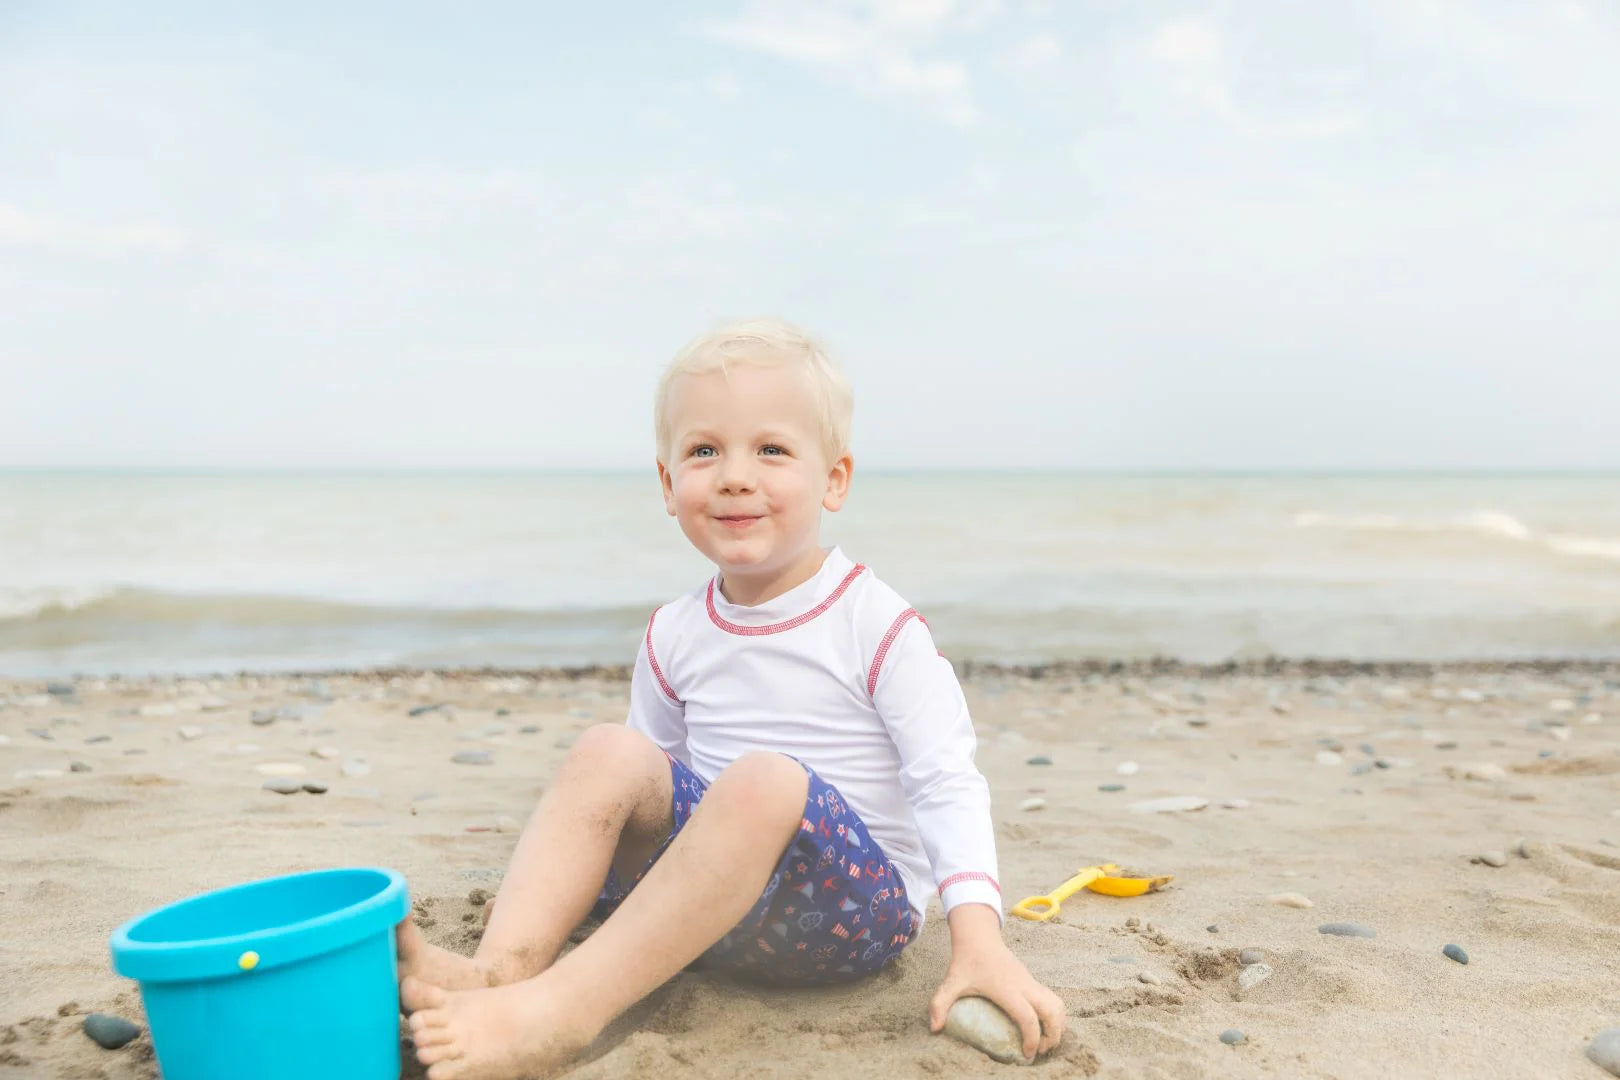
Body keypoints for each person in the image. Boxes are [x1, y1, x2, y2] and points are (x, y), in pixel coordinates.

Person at [395, 319, 1065, 1079]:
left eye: (771, 450)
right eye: (704, 450)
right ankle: (500, 975)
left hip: (853, 917)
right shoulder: (674, 632)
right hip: (711, 914)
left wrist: (980, 943)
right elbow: (651, 791)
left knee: (761, 779)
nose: (735, 476)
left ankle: (560, 1016)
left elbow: (944, 781)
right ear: (667, 483)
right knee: (608, 750)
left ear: (834, 480)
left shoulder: (877, 625)